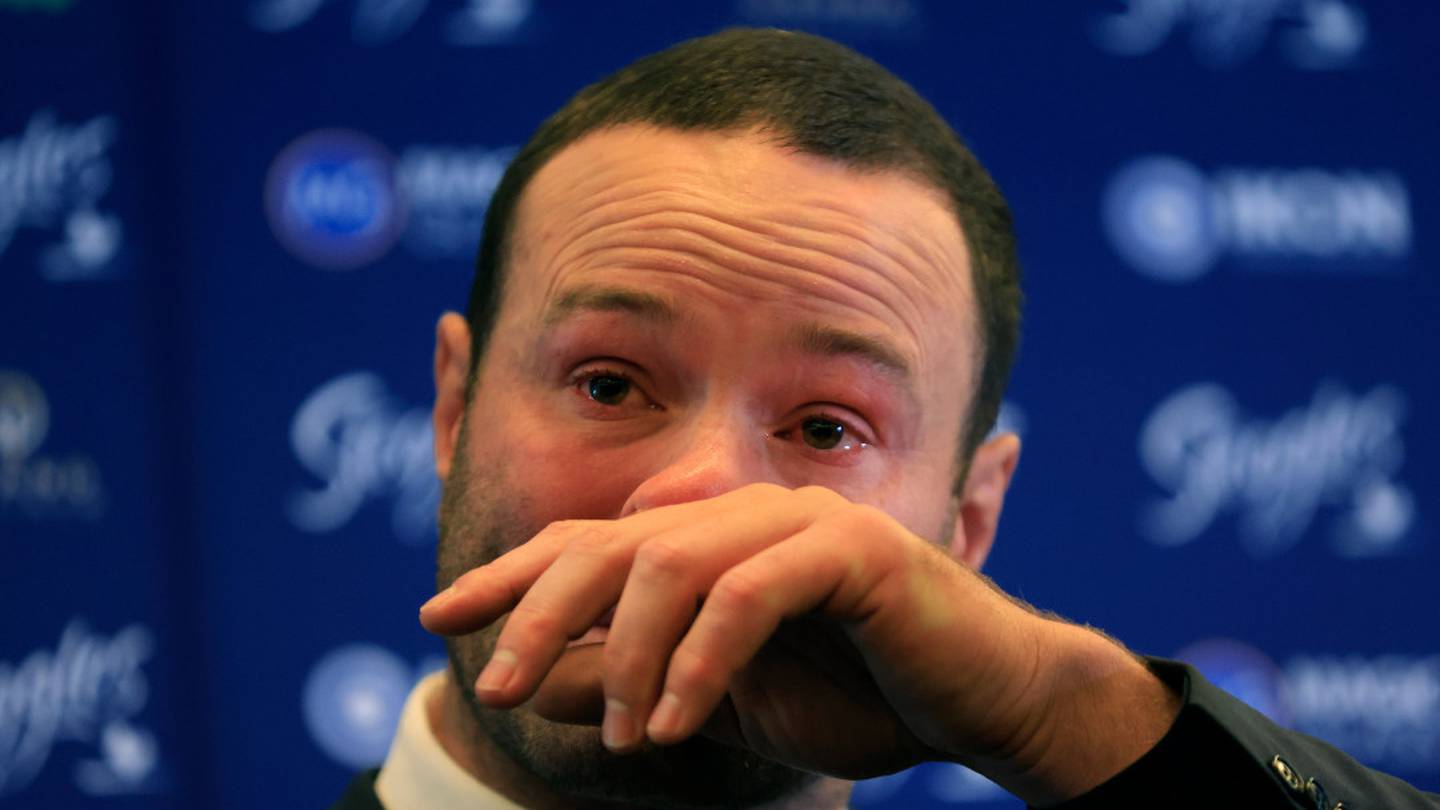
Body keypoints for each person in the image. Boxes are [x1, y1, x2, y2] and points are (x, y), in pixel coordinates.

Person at [332, 27, 1439, 810]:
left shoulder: (1054, 724)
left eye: (825, 429)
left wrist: (1057, 721)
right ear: (454, 406)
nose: (697, 494)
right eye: (610, 384)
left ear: (966, 522)